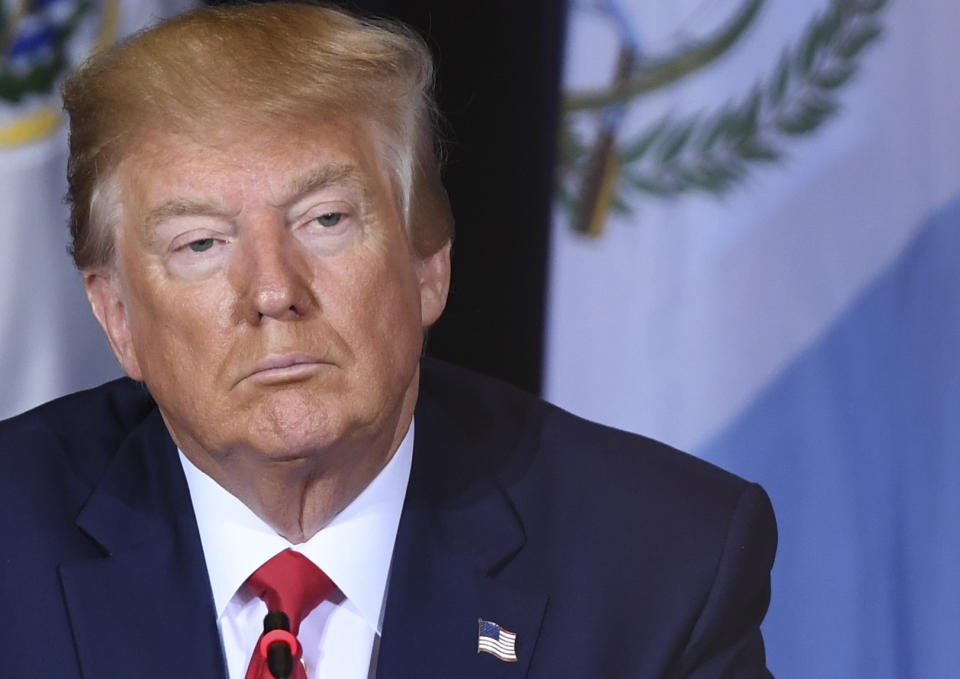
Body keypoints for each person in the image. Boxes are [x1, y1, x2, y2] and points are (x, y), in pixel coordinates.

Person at [0, 3, 777, 678]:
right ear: (117, 318)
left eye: (326, 221)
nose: (273, 291)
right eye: (201, 243)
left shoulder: (655, 566)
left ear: (427, 262)